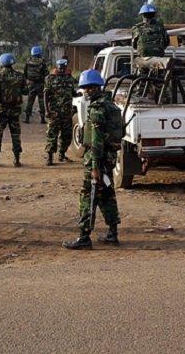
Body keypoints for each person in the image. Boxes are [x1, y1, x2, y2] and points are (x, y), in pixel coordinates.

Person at [63, 69, 123, 250]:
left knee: (88, 196)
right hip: (109, 158)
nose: (86, 91)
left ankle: (84, 237)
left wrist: (95, 166)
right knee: (107, 194)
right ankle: (112, 233)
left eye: (89, 88)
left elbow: (96, 141)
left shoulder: (97, 109)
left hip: (97, 160)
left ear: (97, 87)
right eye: (84, 88)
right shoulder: (112, 106)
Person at [0, 53, 26, 168]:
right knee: (15, 135)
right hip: (15, 110)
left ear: (1, 63)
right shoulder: (20, 76)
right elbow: (25, 91)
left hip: (1, 110)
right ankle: (16, 160)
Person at [44, 58, 78, 166]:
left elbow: (72, 93)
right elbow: (45, 95)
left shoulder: (70, 79)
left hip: (67, 113)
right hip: (54, 113)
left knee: (67, 136)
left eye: (63, 67)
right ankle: (49, 158)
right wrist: (46, 110)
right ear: (57, 67)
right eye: (60, 67)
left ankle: (62, 154)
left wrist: (80, 95)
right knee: (51, 135)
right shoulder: (50, 79)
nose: (62, 69)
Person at [24, 46, 48, 124]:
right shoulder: (42, 61)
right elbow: (46, 73)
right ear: (39, 53)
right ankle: (42, 119)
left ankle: (27, 118)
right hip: (40, 84)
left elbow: (25, 73)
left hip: (31, 84)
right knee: (41, 101)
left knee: (30, 101)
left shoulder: (28, 61)